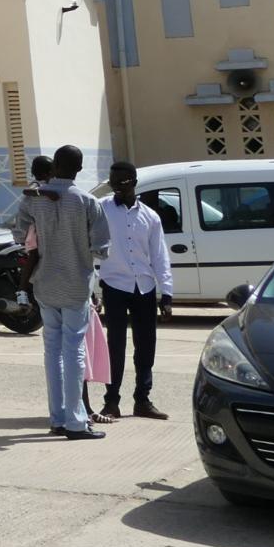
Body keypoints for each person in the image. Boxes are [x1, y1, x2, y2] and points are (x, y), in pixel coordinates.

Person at [16, 145, 112, 439]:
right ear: (79, 169)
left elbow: (21, 235)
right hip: (74, 284)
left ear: (54, 165)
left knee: (52, 351)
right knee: (74, 352)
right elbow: (101, 249)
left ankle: (57, 418)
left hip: (45, 282)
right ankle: (75, 422)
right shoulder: (87, 202)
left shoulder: (33, 201)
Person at [98, 160, 173, 422]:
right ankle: (111, 401)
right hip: (114, 285)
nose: (116, 186)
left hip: (144, 287)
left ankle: (143, 399)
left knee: (146, 347)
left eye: (122, 181)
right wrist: (91, 289)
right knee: (115, 346)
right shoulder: (102, 210)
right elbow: (89, 247)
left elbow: (159, 256)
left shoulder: (150, 217)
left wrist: (167, 293)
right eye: (113, 181)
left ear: (133, 182)